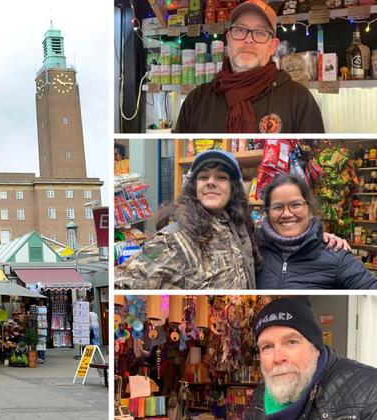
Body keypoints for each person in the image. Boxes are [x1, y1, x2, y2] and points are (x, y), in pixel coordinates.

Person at [116, 150, 259, 289]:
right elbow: (124, 283)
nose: (210, 182)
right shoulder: (173, 239)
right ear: (194, 186)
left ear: (233, 188)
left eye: (221, 177)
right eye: (203, 177)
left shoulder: (239, 228)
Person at [175, 0, 324, 133]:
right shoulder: (196, 101)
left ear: (273, 46)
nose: (248, 40)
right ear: (229, 39)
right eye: (240, 30)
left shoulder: (299, 99)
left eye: (259, 33)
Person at [246, 297, 377, 417]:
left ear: (315, 347)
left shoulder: (370, 390)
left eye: (291, 342)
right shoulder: (262, 393)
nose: (277, 358)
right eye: (267, 347)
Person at [257, 174, 377, 289]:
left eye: (296, 205)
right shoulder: (254, 249)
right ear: (268, 212)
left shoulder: (335, 254)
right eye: (277, 207)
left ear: (309, 208)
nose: (287, 214)